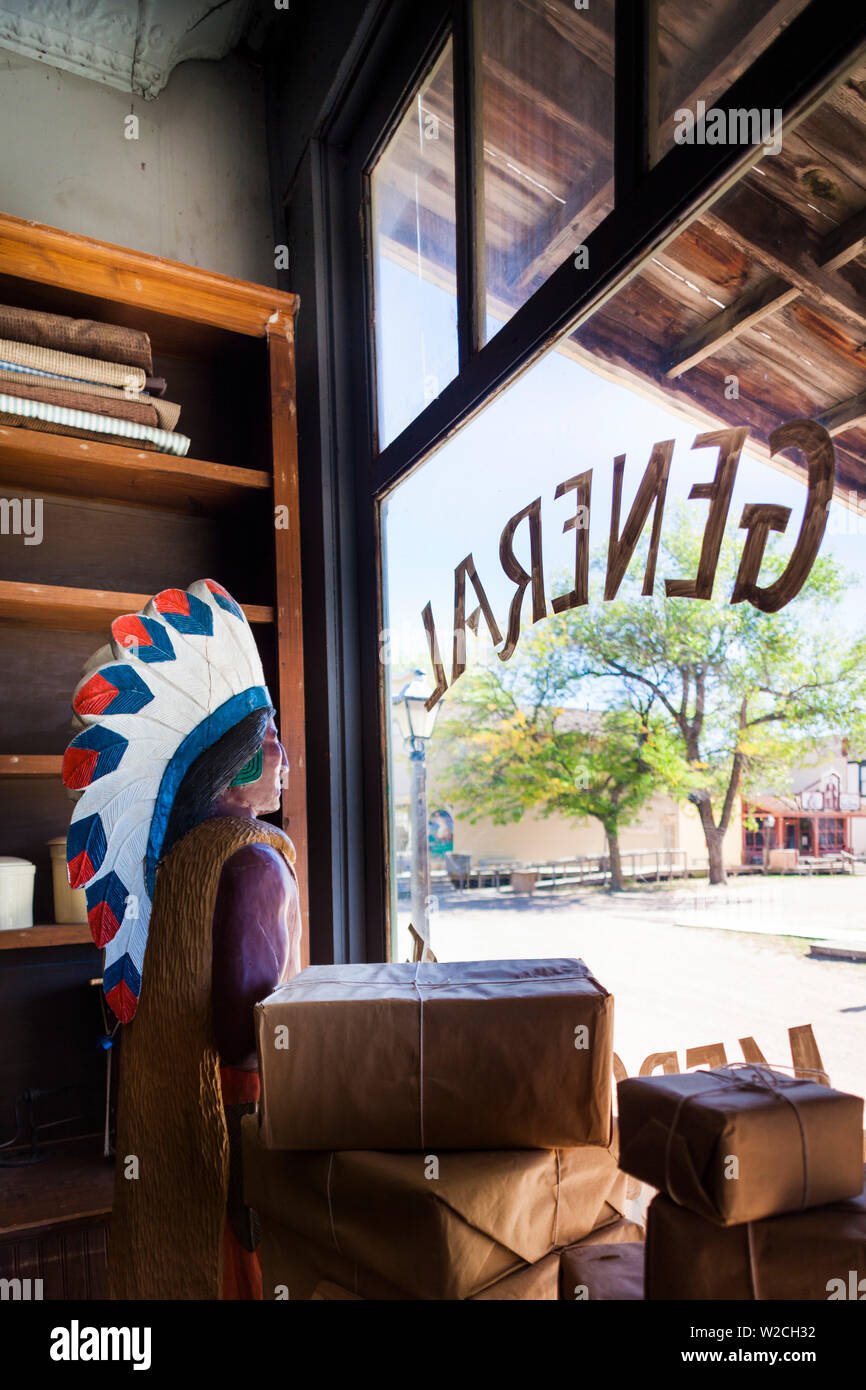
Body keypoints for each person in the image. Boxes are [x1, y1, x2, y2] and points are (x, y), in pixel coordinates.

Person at [62, 579, 302, 1299]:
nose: (283, 757)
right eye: (267, 744)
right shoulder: (254, 856)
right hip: (227, 1119)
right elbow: (248, 1027)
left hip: (160, 1113)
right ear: (229, 767)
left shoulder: (177, 858)